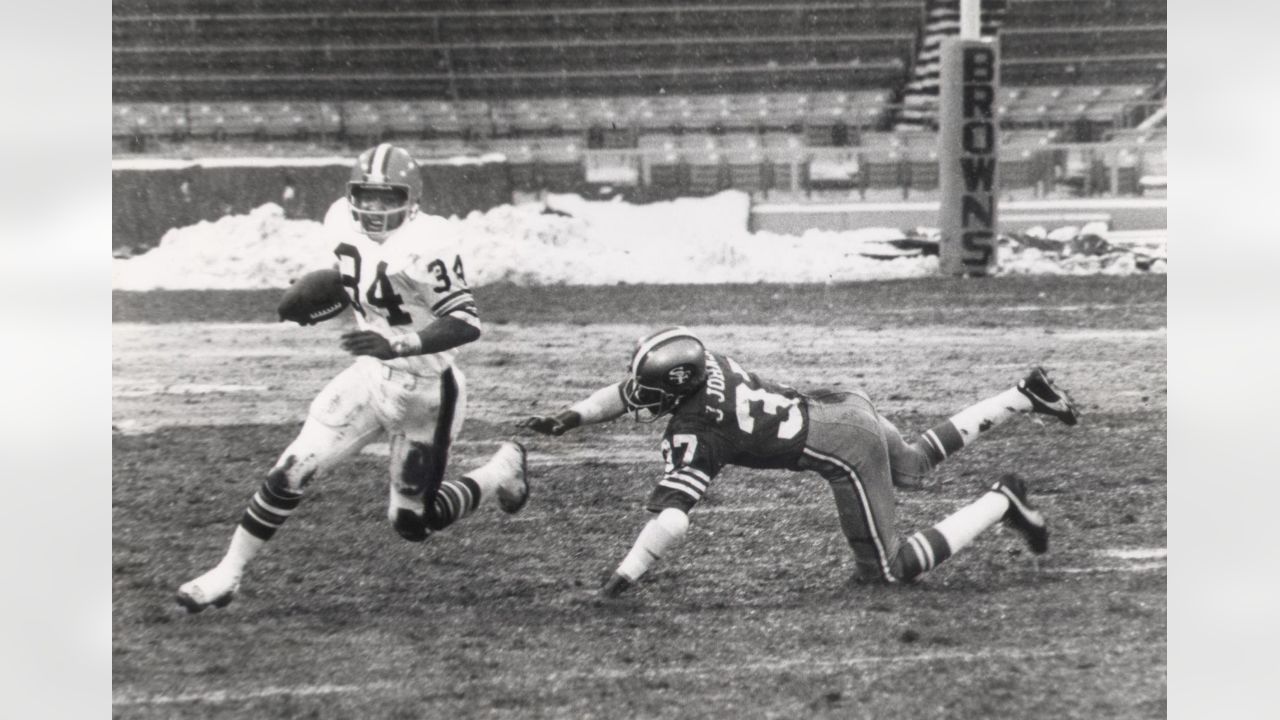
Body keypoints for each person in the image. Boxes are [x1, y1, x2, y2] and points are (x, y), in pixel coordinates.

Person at [177, 143, 529, 613]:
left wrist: (400, 343)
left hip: (427, 390)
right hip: (369, 376)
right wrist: (318, 293)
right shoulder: (340, 221)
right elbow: (362, 280)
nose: (375, 208)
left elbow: (465, 321)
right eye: (367, 196)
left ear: (413, 198)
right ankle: (228, 573)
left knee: (413, 523)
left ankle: (499, 471)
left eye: (388, 198)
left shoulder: (431, 243)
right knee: (290, 471)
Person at [520, 326, 1079, 597]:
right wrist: (574, 415)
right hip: (842, 403)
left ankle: (1001, 501)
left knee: (887, 572)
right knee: (910, 466)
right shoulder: (706, 363)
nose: (637, 397)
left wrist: (626, 574)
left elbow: (672, 517)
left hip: (843, 448)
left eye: (650, 390)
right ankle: (1023, 395)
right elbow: (633, 390)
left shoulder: (698, 431)